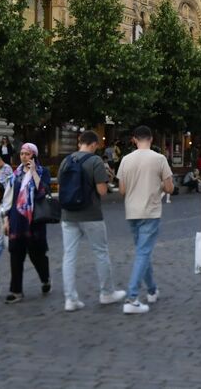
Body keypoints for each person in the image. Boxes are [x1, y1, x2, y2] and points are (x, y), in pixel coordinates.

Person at [59, 131, 127, 311]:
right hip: (91, 214)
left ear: (79, 142)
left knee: (69, 255)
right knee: (100, 252)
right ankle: (107, 293)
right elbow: (103, 191)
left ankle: (70, 299)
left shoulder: (66, 161)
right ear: (94, 144)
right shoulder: (95, 161)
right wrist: (107, 179)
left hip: (68, 214)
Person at [117, 125, 174, 313]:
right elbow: (169, 188)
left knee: (143, 252)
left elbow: (122, 190)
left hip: (131, 211)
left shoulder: (125, 160)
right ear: (151, 139)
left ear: (134, 139)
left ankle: (152, 290)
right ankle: (132, 297)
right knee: (143, 253)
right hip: (150, 211)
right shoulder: (159, 159)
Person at [4, 142, 52, 303]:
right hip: (17, 220)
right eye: (22, 153)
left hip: (34, 221)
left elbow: (43, 191)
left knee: (37, 255)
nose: (24, 156)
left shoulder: (42, 171)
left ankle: (45, 279)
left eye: (27, 154)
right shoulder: (15, 174)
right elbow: (8, 197)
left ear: (34, 156)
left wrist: (33, 172)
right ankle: (16, 291)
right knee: (16, 255)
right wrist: (6, 219)